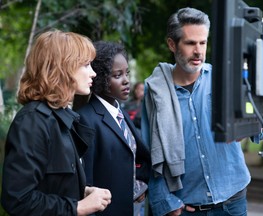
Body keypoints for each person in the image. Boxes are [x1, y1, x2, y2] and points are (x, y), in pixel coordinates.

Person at [141, 7, 250, 216]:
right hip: (187, 208)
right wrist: (167, 203)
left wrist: (247, 126)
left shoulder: (223, 79)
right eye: (191, 43)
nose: (199, 51)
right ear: (172, 44)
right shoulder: (155, 90)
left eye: (203, 42)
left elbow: (258, 122)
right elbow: (150, 150)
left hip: (233, 203)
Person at [1, 30, 112, 216]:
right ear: (62, 67)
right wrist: (79, 207)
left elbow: (50, 184)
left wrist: (82, 192)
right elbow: (18, 200)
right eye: (86, 65)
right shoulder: (33, 122)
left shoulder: (59, 117)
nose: (93, 73)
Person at [76, 41, 151, 216]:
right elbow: (86, 182)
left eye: (127, 73)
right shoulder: (85, 120)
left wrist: (139, 184)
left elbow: (138, 154)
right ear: (100, 78)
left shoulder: (120, 112)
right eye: (117, 75)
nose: (126, 81)